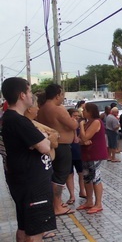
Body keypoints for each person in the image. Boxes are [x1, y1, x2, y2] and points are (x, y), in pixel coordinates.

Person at [1, 77, 65, 242]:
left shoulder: (9, 119)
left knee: (24, 225)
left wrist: (42, 139)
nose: (32, 96)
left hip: (23, 182)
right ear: (22, 95)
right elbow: (46, 146)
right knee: (35, 231)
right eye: (29, 92)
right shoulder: (18, 121)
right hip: (32, 184)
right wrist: (43, 138)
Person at [37, 83, 78, 216]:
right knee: (60, 176)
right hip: (61, 146)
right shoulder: (57, 109)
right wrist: (74, 120)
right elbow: (72, 124)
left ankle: (55, 204)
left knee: (53, 175)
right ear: (57, 95)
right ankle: (57, 205)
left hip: (51, 146)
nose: (63, 98)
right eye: (62, 95)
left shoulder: (42, 108)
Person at [77, 103, 108, 214]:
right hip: (86, 153)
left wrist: (81, 126)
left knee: (95, 177)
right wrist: (83, 140)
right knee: (87, 177)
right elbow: (78, 139)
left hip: (95, 154)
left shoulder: (95, 122)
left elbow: (84, 136)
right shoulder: (87, 123)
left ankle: (98, 203)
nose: (83, 111)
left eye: (85, 110)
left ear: (90, 111)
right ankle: (89, 201)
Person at [65, 108, 86, 205]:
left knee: (81, 173)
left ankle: (82, 191)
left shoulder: (81, 125)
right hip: (68, 152)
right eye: (74, 116)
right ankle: (72, 195)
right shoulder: (65, 126)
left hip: (79, 152)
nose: (77, 118)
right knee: (69, 175)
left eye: (78, 116)